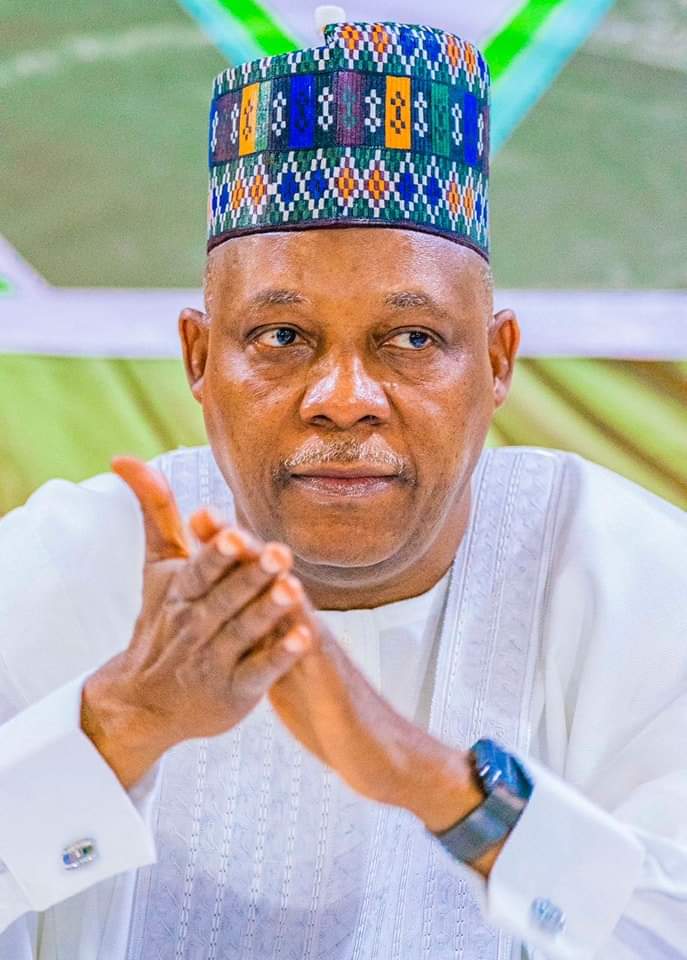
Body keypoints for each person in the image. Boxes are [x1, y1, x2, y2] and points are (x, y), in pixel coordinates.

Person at [0, 17, 685, 960]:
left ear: (496, 362)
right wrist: (122, 722)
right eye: (281, 337)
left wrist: (424, 778)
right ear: (199, 358)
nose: (344, 399)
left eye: (411, 340)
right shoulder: (61, 565)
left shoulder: (639, 581)